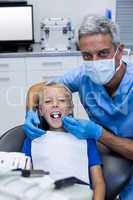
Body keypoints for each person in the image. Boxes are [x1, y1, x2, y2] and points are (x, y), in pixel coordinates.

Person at [23, 15, 133, 200]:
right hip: (106, 148)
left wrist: (99, 134)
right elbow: (37, 90)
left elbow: (99, 184)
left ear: (119, 51)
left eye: (103, 53)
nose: (95, 62)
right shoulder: (83, 75)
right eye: (87, 56)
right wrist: (30, 113)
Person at [22, 83, 105, 200]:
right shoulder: (31, 141)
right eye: (48, 101)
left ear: (70, 108)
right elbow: (24, 182)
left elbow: (99, 183)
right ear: (40, 110)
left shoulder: (86, 140)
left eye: (61, 100)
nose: (55, 104)